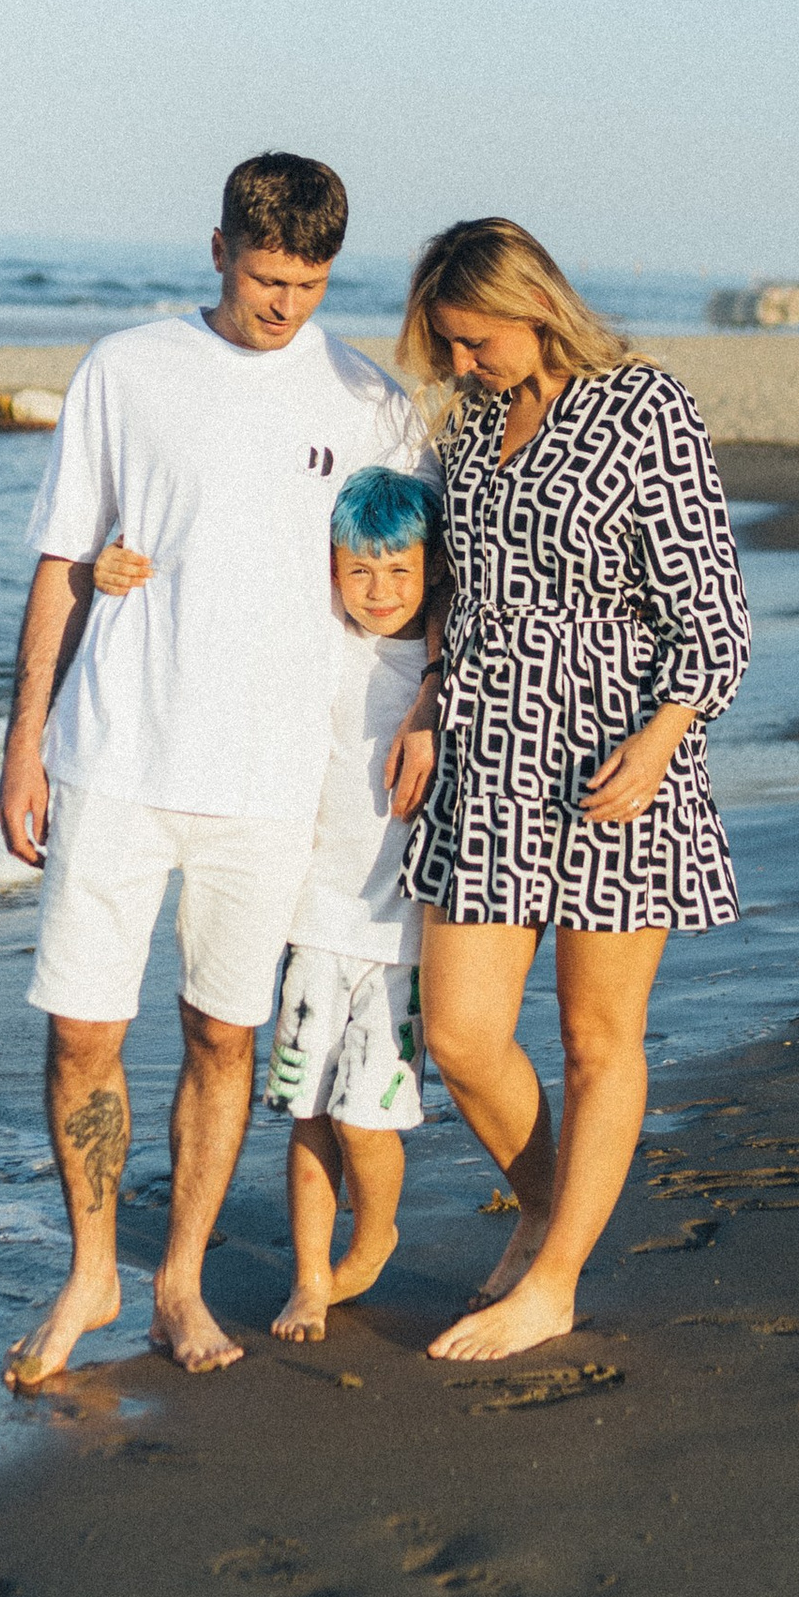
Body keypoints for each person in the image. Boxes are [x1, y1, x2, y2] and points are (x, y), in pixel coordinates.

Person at [0, 153, 434, 1379]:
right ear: (217, 250)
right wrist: (23, 740)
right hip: (116, 756)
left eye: (309, 281)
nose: (285, 304)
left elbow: (416, 587)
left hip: (272, 779)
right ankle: (90, 1272)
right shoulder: (127, 370)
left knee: (223, 1037)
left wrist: (432, 707)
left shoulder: (371, 405)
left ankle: (177, 1283)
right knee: (83, 1031)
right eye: (265, 276)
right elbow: (60, 560)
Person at [392, 215, 751, 1365]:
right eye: (445, 345)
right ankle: (556, 1210)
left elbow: (715, 612)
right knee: (458, 1033)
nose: (458, 363)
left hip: (614, 758)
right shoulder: (471, 424)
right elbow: (455, 588)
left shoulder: (646, 408)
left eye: (472, 340)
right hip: (486, 756)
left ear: (533, 306)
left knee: (599, 1040)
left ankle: (551, 1283)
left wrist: (662, 740)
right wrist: (426, 699)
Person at [264, 467, 438, 1344]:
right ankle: (308, 1274)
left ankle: (373, 1237)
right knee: (307, 1109)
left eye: (400, 572)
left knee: (366, 1115)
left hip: (401, 936)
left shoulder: (445, 669)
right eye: (359, 572)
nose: (379, 592)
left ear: (431, 570)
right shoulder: (325, 646)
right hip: (312, 923)